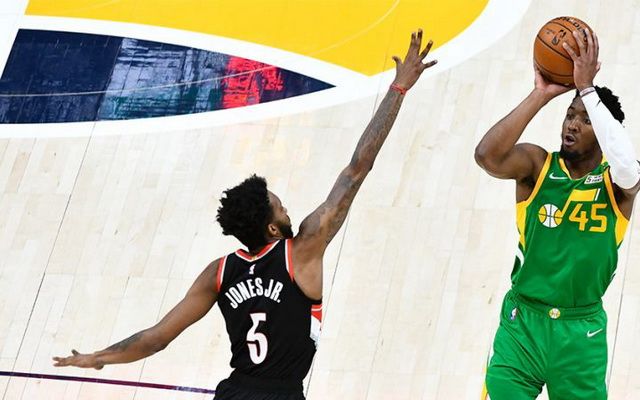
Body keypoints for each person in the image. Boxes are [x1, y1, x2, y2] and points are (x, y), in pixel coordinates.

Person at [53, 30, 438, 400]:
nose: (287, 208)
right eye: (281, 207)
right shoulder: (302, 251)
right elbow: (357, 169)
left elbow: (157, 338)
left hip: (234, 392)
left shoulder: (219, 272)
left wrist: (99, 357)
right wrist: (398, 89)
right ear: (272, 227)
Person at [475, 28, 639, 400]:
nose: (572, 124)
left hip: (580, 335)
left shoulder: (616, 184)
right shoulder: (537, 166)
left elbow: (630, 171)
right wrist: (541, 94)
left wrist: (587, 91)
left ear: (604, 131)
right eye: (570, 115)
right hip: (522, 327)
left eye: (585, 119)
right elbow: (487, 156)